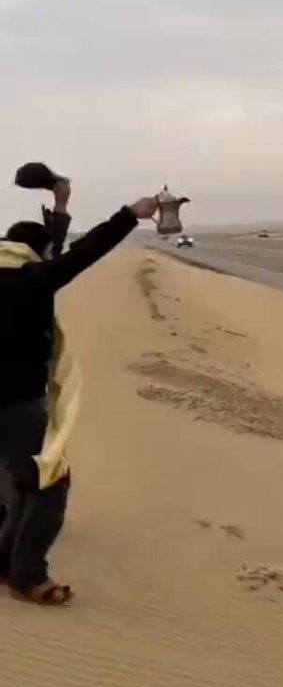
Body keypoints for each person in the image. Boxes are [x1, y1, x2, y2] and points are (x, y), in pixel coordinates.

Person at [0, 181, 159, 605]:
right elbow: (84, 252)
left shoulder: (18, 270)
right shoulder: (31, 280)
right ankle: (27, 576)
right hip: (13, 405)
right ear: (36, 253)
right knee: (50, 482)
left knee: (21, 484)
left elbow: (59, 251)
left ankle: (5, 564)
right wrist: (131, 214)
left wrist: (60, 204)